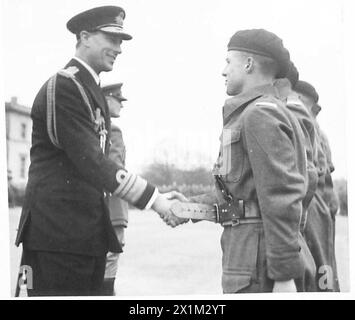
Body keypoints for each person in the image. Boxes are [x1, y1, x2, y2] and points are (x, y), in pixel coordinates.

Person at [15, 6, 186, 297]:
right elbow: (92, 161)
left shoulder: (87, 86)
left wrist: (155, 195)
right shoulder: (66, 85)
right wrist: (154, 199)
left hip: (81, 236)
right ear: (84, 37)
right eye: (112, 38)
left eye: (121, 42)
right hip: (57, 238)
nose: (119, 48)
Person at [174, 29, 316, 293]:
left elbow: (282, 196)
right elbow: (232, 194)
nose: (223, 71)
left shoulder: (259, 115)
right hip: (249, 254)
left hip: (259, 263)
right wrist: (187, 208)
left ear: (248, 64)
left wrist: (284, 277)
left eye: (229, 62)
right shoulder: (243, 118)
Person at [294, 80, 340, 291]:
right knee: (325, 268)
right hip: (322, 208)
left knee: (317, 269)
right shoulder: (319, 130)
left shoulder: (306, 125)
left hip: (313, 207)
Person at [101, 83, 129, 295]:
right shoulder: (113, 130)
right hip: (113, 206)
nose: (121, 104)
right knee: (111, 255)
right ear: (106, 99)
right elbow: (116, 168)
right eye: (118, 100)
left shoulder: (98, 127)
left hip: (101, 204)